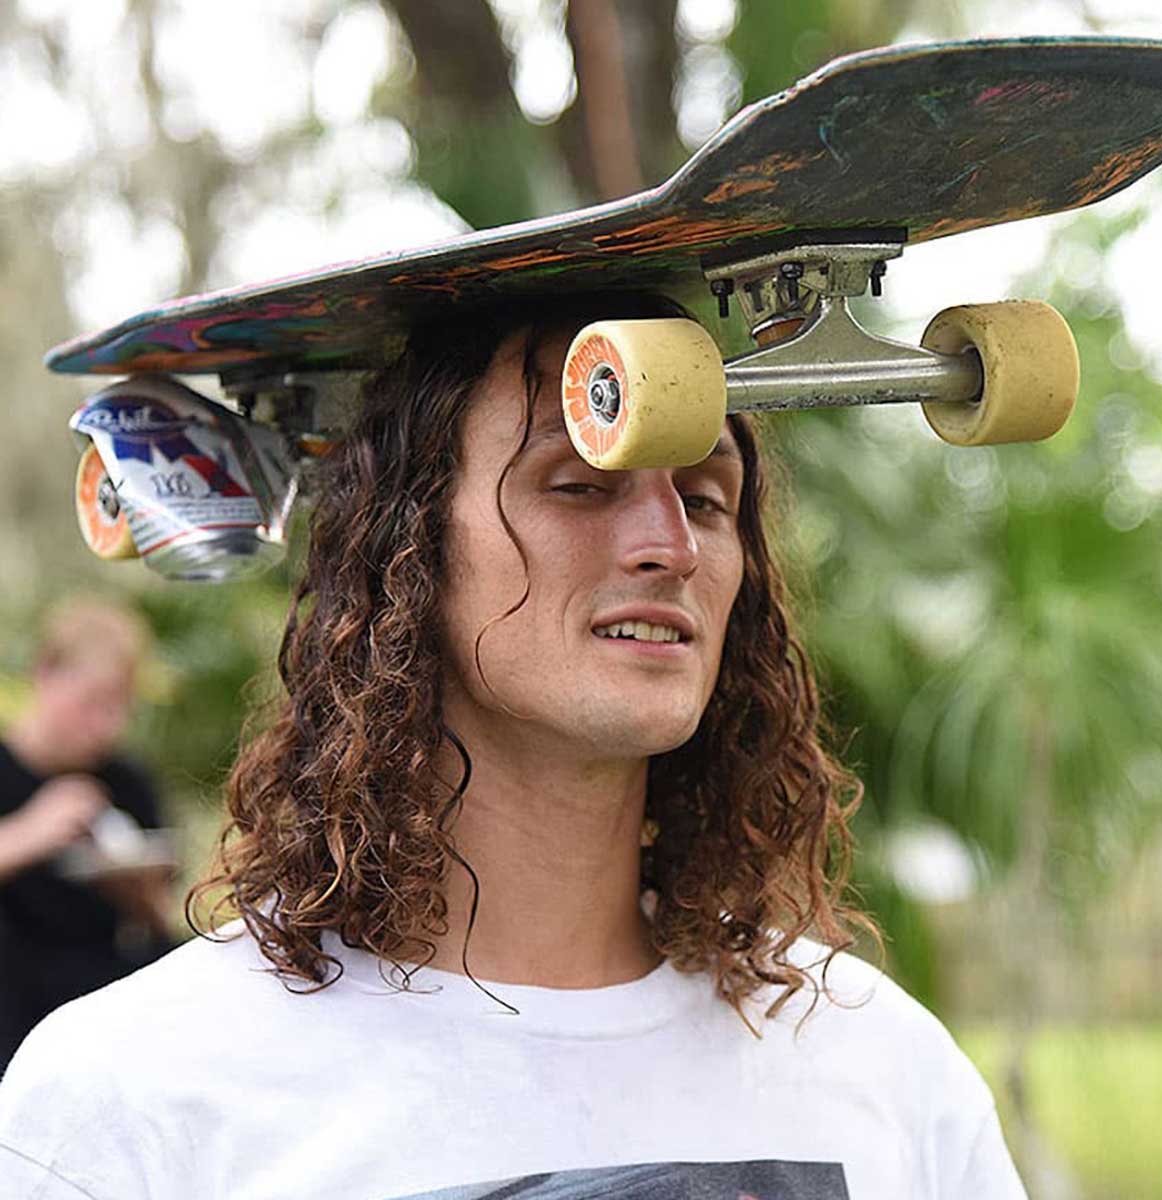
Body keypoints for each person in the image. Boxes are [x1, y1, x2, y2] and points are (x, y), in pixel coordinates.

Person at [0, 295, 1026, 1199]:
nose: (670, 544)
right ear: (405, 552)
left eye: (706, 498)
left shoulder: (885, 1073)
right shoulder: (134, 1098)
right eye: (579, 484)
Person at [0, 599, 176, 1072]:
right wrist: (32, 832)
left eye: (118, 707)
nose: (103, 725)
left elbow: (160, 924)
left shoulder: (126, 782)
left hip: (100, 982)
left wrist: (136, 889)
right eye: (90, 704)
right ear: (45, 673)